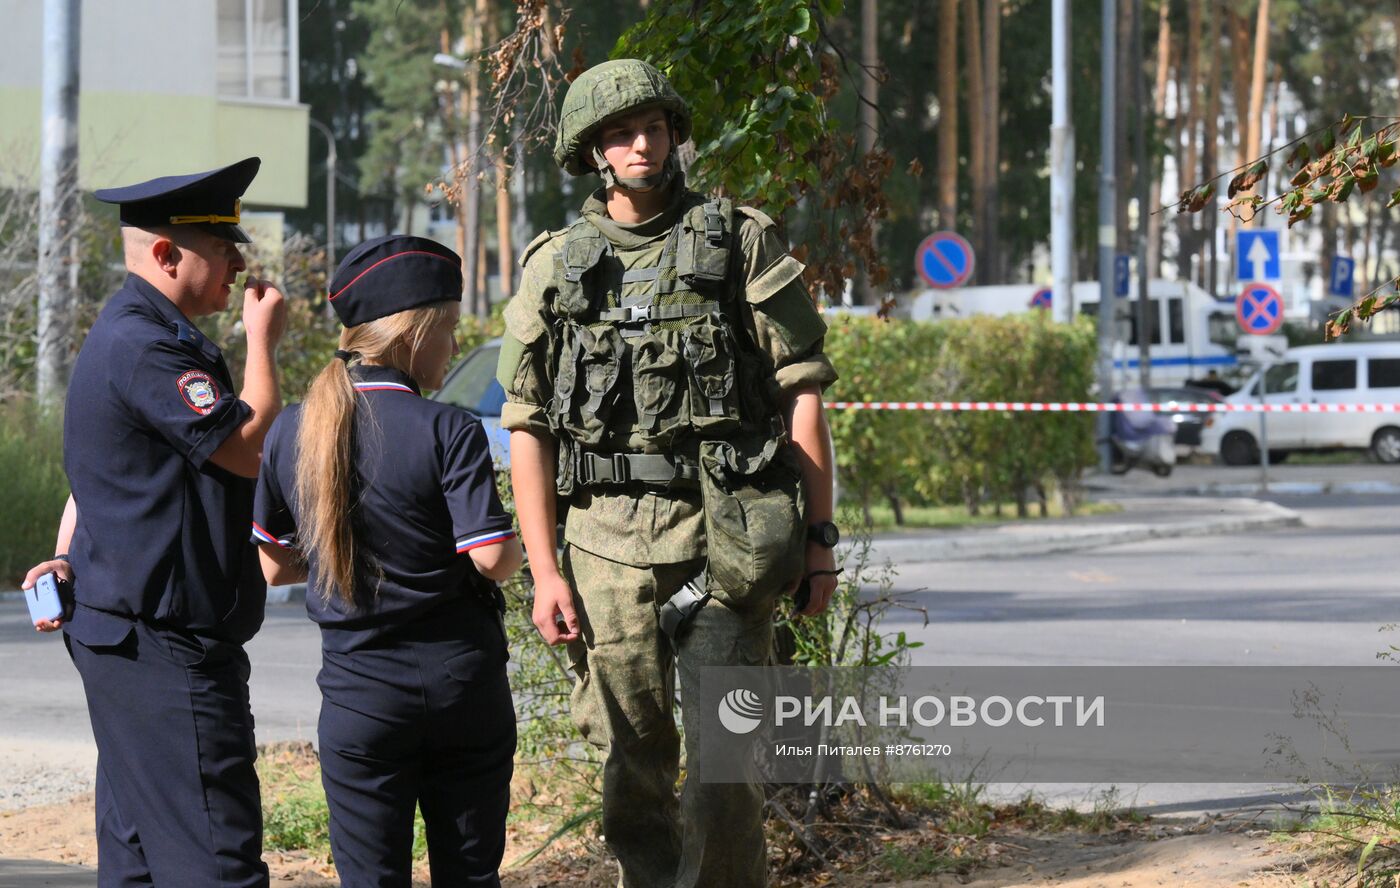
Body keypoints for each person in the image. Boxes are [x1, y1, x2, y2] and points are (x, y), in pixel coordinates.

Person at [497, 58, 840, 888]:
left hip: (726, 540)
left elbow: (804, 393)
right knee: (630, 766)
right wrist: (544, 572)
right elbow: (528, 427)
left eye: (653, 126)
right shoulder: (554, 263)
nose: (642, 144)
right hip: (604, 547)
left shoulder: (739, 239)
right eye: (621, 133)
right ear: (593, 153)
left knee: (726, 765)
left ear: (675, 133)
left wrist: (820, 542)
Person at [21, 157, 286, 887]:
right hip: (163, 647)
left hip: (131, 633)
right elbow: (247, 446)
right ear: (165, 255)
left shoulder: (139, 332)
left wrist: (67, 553)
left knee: (139, 857)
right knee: (213, 860)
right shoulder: (145, 344)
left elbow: (105, 472)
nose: (239, 262)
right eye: (222, 246)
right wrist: (264, 339)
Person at [252, 234, 522, 887]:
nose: (455, 346)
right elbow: (490, 559)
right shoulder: (448, 430)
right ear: (411, 335)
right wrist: (523, 544)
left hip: (360, 700)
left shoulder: (292, 429)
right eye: (450, 329)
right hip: (462, 690)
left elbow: (274, 568)